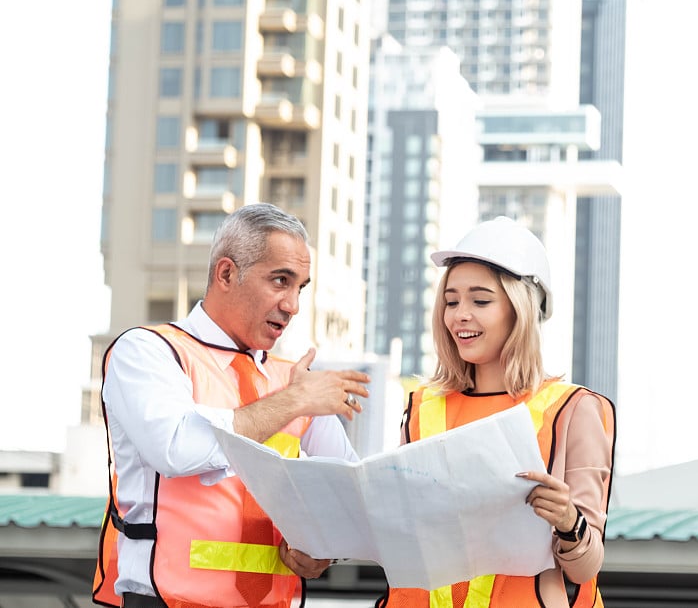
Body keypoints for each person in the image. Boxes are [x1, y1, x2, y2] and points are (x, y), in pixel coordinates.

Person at [92, 203, 371, 608]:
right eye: (280, 280)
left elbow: (351, 495)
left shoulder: (293, 379)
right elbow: (176, 449)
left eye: (300, 288)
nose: (292, 305)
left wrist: (327, 545)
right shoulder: (149, 351)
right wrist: (294, 401)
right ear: (226, 274)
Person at [375, 216, 616, 608]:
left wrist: (569, 522)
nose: (459, 315)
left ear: (522, 310)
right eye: (451, 301)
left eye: (480, 300)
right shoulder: (422, 407)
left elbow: (585, 569)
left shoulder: (572, 410)